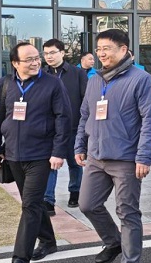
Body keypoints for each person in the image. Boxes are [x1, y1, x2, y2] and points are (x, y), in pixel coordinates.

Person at [75, 29, 151, 263]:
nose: (101, 53)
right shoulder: (94, 80)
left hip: (125, 159)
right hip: (96, 157)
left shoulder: (141, 79)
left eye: (107, 48)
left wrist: (144, 157)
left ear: (124, 49)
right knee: (87, 204)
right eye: (99, 49)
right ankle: (113, 242)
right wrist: (79, 145)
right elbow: (85, 115)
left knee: (127, 212)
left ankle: (130, 259)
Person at [0, 42, 71, 263]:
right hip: (13, 154)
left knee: (30, 205)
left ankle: (20, 258)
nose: (35, 63)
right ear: (15, 63)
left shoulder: (53, 84)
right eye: (29, 59)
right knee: (33, 202)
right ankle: (48, 241)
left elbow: (63, 118)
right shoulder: (4, 84)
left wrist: (58, 151)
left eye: (37, 58)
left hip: (41, 155)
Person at [42, 39, 88, 215]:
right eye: (46, 53)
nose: (49, 57)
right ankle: (48, 200)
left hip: (73, 127)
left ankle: (75, 192)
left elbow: (86, 101)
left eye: (52, 53)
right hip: (50, 129)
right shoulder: (42, 74)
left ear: (62, 53)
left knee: (74, 163)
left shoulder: (78, 73)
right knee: (50, 164)